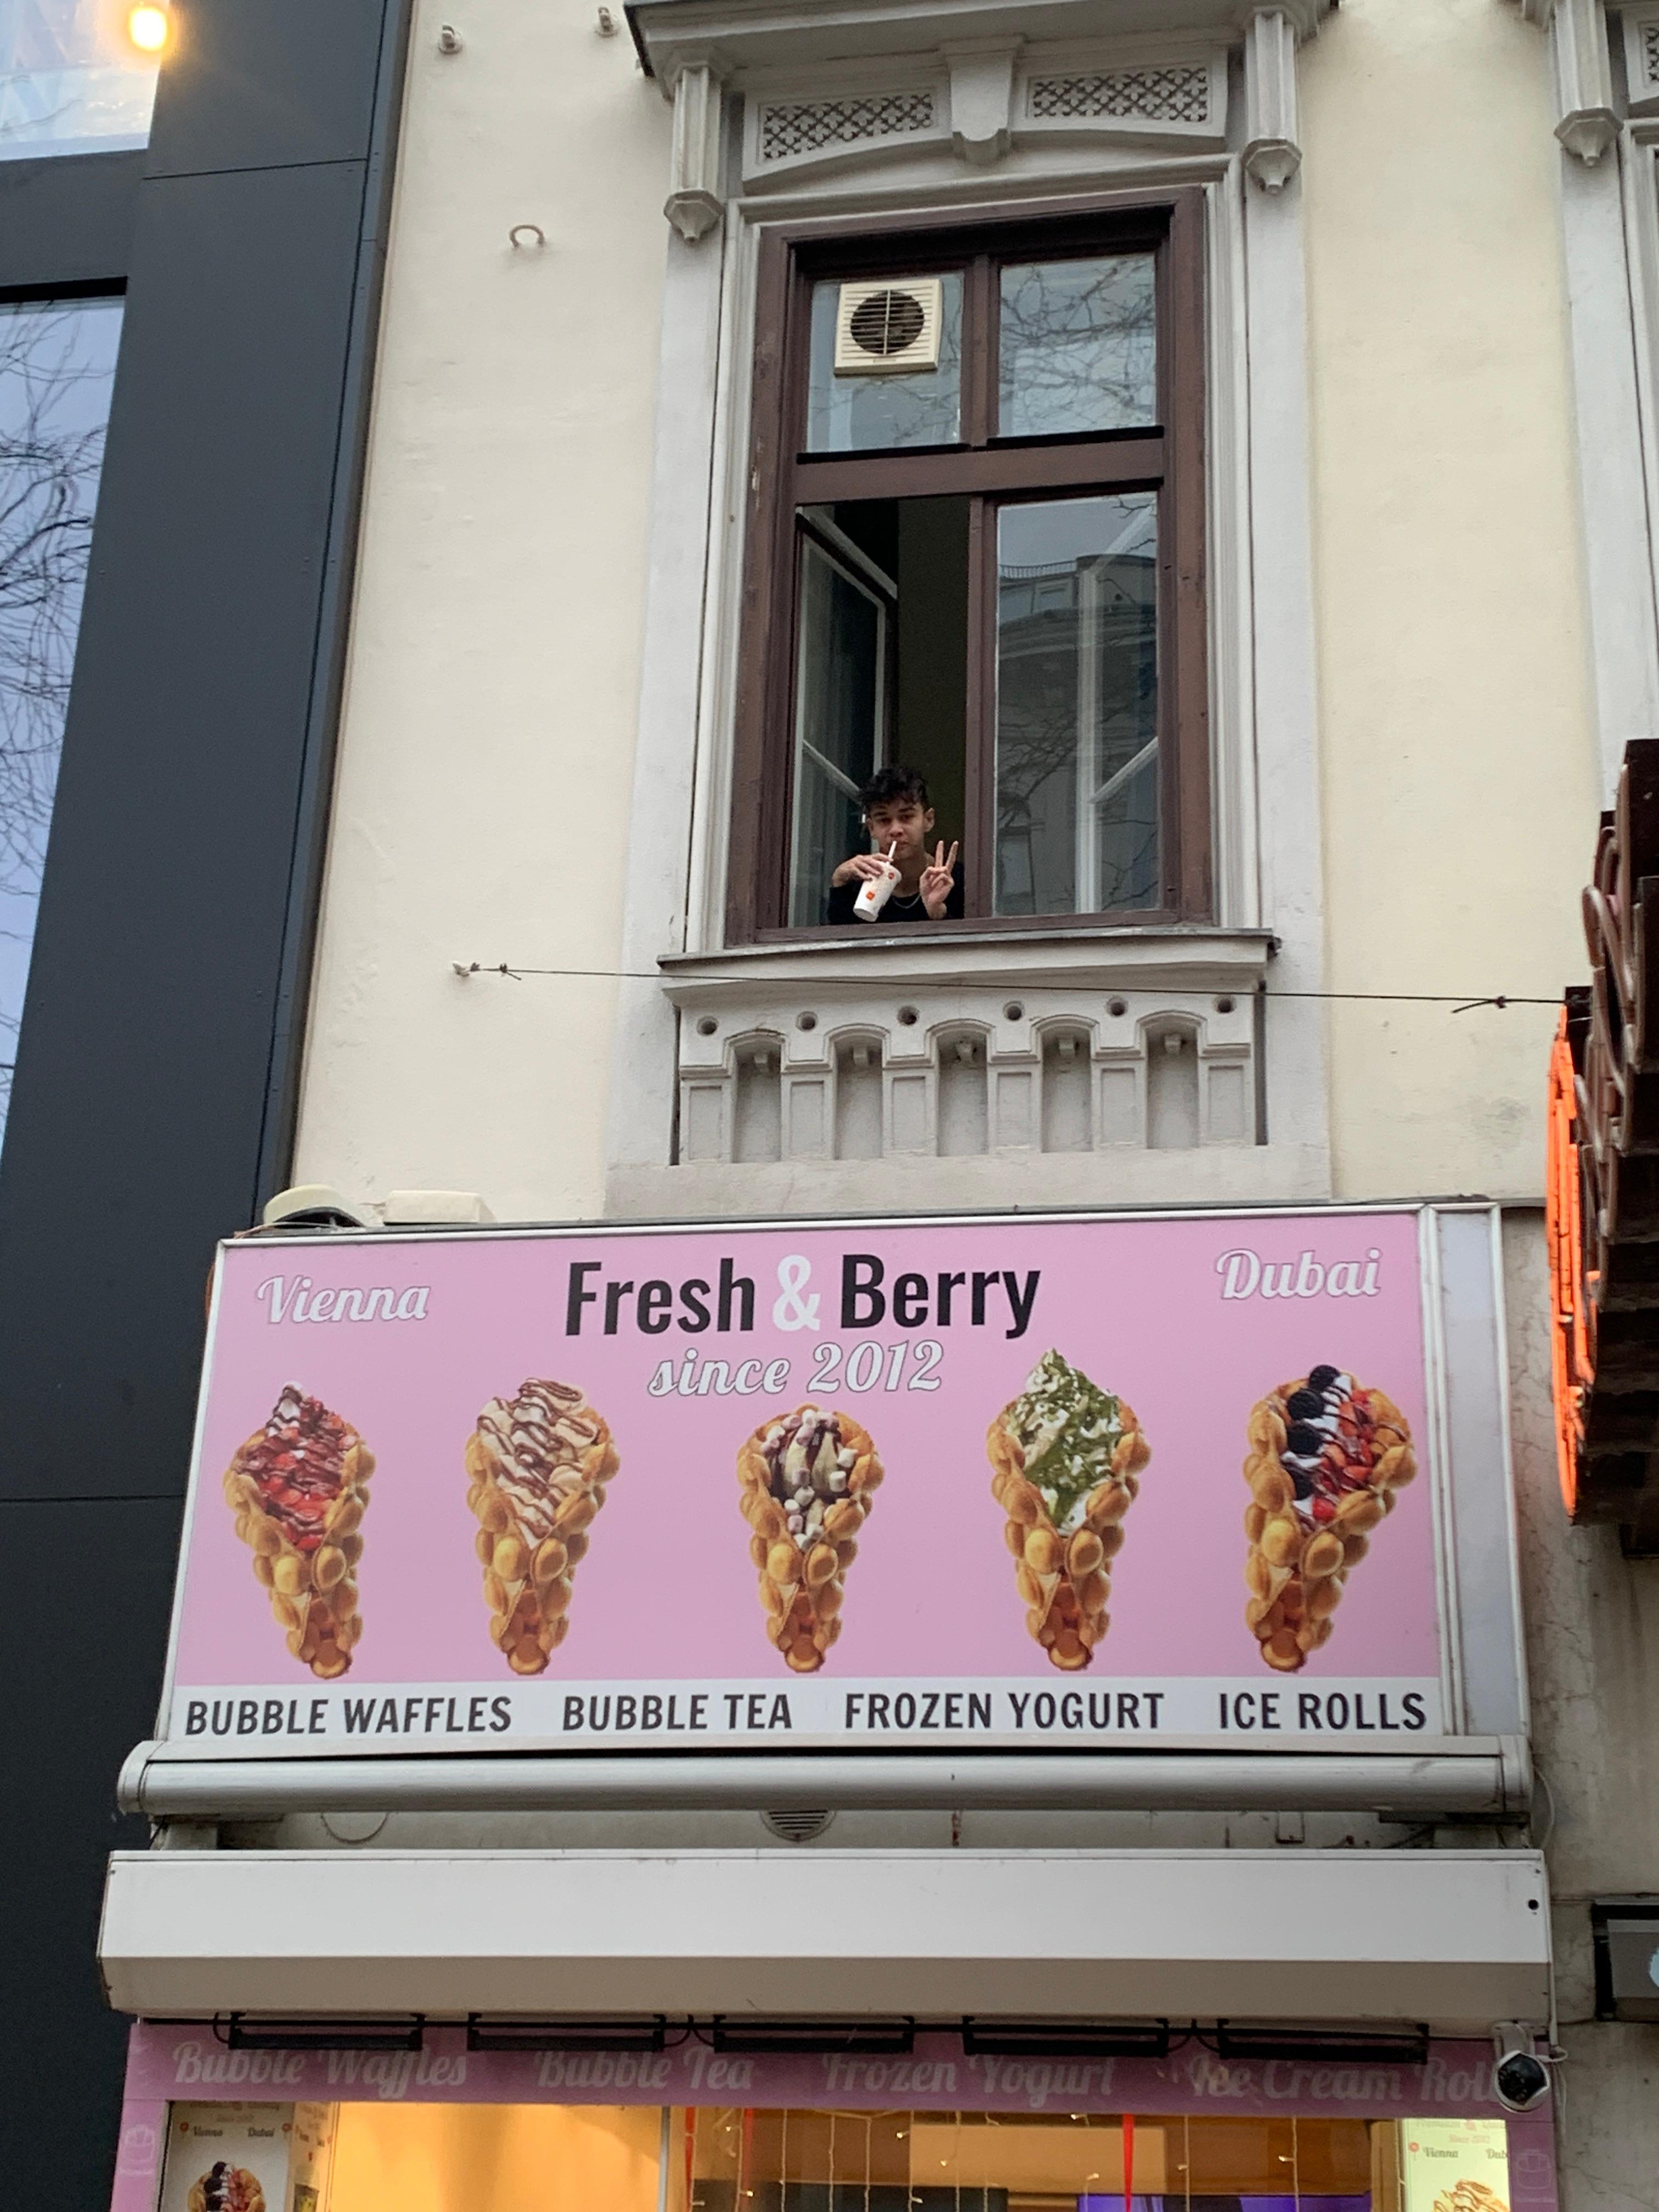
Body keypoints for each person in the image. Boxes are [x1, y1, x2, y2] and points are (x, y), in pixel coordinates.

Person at [827, 764, 963, 924]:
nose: (896, 830)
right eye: (884, 820)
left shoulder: (954, 881)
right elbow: (841, 945)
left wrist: (938, 915)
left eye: (906, 817)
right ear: (872, 828)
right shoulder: (858, 886)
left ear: (928, 820)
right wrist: (839, 883)